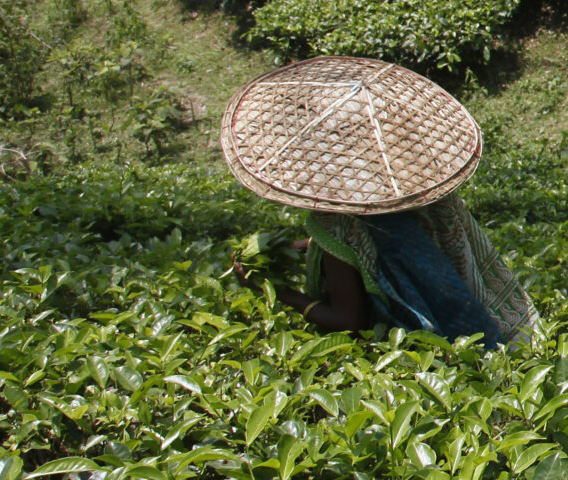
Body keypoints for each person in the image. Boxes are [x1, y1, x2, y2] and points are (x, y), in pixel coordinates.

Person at [221, 56, 535, 348]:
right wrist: (299, 246)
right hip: (471, 317)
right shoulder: (415, 185)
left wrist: (282, 293)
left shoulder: (336, 219)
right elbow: (376, 241)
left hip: (418, 348)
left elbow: (349, 321)